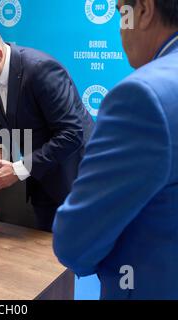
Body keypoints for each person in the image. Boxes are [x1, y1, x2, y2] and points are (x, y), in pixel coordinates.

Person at [53, 0, 178, 299]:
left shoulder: (142, 97)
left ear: (145, 11)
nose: (120, 32)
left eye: (121, 15)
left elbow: (75, 241)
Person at [0, 17, 94, 231]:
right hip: (41, 178)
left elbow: (73, 133)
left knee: (74, 256)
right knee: (44, 254)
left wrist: (20, 168)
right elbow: (4, 120)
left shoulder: (42, 70)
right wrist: (1, 147)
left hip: (74, 179)